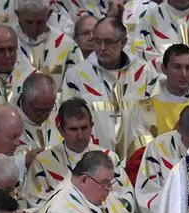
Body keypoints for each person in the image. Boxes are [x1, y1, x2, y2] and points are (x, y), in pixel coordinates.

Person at [62, 17, 161, 159]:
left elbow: (155, 120)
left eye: (108, 42)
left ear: (123, 42)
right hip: (93, 160)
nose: (101, 48)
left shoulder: (145, 74)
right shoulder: (76, 76)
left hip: (137, 160)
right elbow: (69, 122)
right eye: (97, 41)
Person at [25, 98, 136, 213]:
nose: (80, 136)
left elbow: (127, 198)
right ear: (61, 130)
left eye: (84, 128)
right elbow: (37, 206)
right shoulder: (42, 162)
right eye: (73, 129)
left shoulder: (110, 158)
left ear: (92, 126)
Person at [141, 45, 189, 139]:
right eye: (177, 67)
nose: (184, 74)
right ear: (164, 69)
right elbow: (142, 150)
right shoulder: (147, 109)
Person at [14, 0, 83, 86]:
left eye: (40, 22)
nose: (34, 28)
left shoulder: (67, 46)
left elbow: (76, 84)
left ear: (49, 14)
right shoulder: (4, 44)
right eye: (29, 22)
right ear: (18, 15)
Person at [16, 72, 59, 153]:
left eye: (49, 109)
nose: (45, 116)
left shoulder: (59, 110)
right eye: (39, 111)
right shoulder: (7, 120)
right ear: (24, 98)